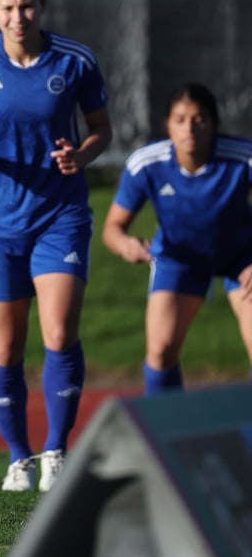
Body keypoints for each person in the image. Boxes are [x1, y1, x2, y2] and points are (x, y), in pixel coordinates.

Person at [0, 0, 112, 493]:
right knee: (3, 350)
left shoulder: (75, 60)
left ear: (42, 7)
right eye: (9, 7)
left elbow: (101, 130)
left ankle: (57, 450)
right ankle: (19, 457)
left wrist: (80, 156)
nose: (19, 16)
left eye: (28, 6)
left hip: (59, 217)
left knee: (60, 333)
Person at [102, 83, 252, 394]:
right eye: (180, 119)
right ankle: (164, 432)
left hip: (241, 258)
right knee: (161, 349)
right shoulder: (147, 164)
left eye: (200, 119)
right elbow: (112, 229)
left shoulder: (242, 158)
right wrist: (125, 244)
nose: (190, 129)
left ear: (214, 124)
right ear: (167, 124)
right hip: (178, 259)